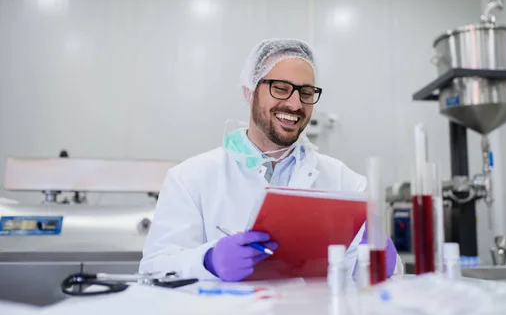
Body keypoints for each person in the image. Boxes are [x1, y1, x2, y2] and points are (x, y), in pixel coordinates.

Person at [139, 38, 401, 281]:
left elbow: (379, 280)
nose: (295, 104)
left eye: (306, 93)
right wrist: (207, 261)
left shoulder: (348, 184)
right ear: (250, 91)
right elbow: (154, 268)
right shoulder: (190, 178)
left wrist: (384, 263)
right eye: (281, 88)